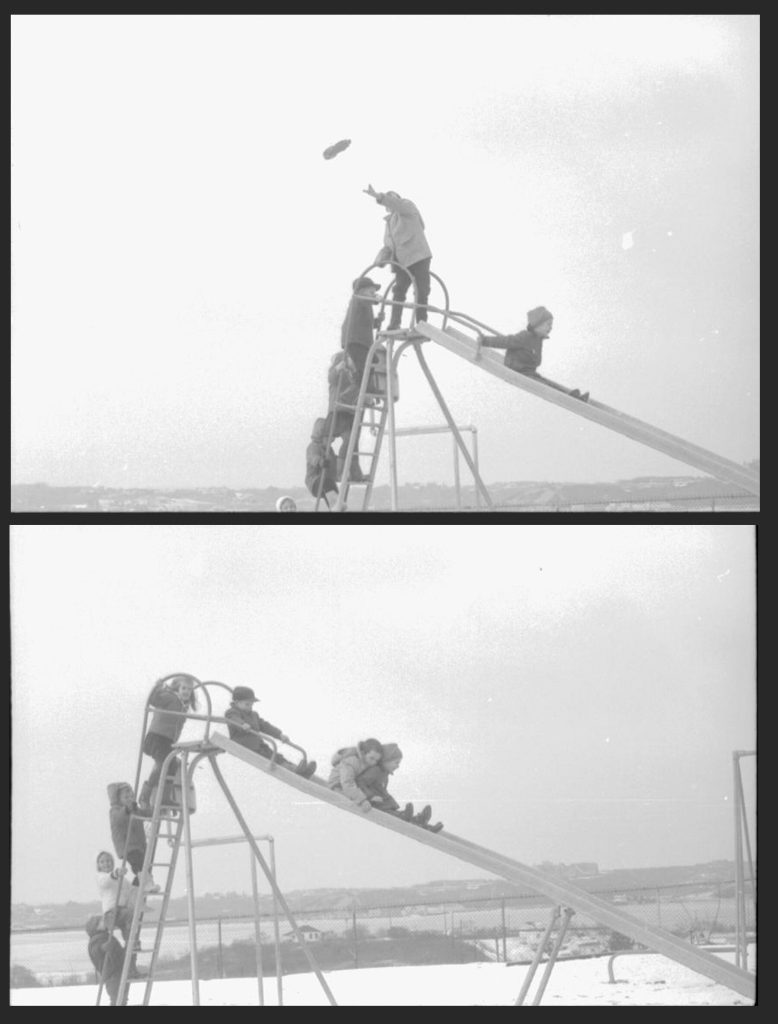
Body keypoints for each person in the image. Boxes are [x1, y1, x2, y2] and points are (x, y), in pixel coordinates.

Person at [474, 306, 589, 401]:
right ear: (537, 325)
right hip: (518, 371)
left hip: (528, 372)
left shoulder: (538, 339)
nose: (550, 328)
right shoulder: (525, 337)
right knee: (544, 385)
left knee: (548, 383)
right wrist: (485, 340)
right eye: (548, 324)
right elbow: (506, 341)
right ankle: (569, 398)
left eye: (551, 325)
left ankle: (572, 396)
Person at [364, 184, 432, 330]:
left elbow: (397, 204)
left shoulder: (408, 207)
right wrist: (380, 259)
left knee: (422, 290)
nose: (390, 201)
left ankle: (422, 323)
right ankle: (395, 323)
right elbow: (389, 246)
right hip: (403, 263)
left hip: (419, 256)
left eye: (392, 197)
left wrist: (379, 196)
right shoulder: (389, 224)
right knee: (398, 291)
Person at [225, 686, 317, 778]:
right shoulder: (232, 712)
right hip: (245, 745)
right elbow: (233, 719)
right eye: (247, 704)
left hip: (259, 745)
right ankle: (294, 771)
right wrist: (242, 724)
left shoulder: (254, 715)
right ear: (236, 703)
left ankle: (299, 770)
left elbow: (265, 726)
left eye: (252, 705)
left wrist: (279, 735)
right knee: (269, 759)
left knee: (276, 756)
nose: (250, 707)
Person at [139, 674, 199, 810]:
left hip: (168, 740)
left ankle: (165, 796)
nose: (186, 692)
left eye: (189, 690)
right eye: (184, 688)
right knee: (163, 764)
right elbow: (154, 700)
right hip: (157, 737)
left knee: (171, 765)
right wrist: (158, 687)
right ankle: (145, 794)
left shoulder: (183, 705)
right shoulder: (170, 697)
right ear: (177, 688)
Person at [357, 743, 444, 832]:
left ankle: (419, 821)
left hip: (381, 803)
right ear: (386, 760)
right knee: (388, 812)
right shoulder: (375, 771)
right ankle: (405, 817)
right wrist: (370, 796)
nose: (398, 766)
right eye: (396, 762)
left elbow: (381, 790)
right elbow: (360, 783)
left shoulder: (384, 775)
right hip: (373, 803)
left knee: (391, 810)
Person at [107, 782, 161, 893]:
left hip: (139, 845)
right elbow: (119, 818)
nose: (130, 799)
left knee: (146, 867)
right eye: (126, 797)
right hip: (128, 846)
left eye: (131, 796)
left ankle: (135, 892)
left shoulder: (134, 809)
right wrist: (127, 809)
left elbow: (145, 813)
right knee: (140, 865)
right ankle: (147, 884)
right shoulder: (115, 811)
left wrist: (156, 811)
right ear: (118, 799)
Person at [327, 351, 368, 483]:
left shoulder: (351, 375)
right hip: (339, 411)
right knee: (349, 440)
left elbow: (357, 387)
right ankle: (340, 473)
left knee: (353, 442)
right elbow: (331, 378)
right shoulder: (339, 373)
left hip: (349, 411)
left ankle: (356, 474)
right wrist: (338, 368)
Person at [340, 276, 383, 388]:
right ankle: (357, 390)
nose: (373, 294)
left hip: (361, 340)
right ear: (361, 291)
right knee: (364, 366)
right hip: (355, 340)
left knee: (373, 360)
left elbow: (365, 323)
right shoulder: (357, 299)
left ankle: (364, 387)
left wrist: (377, 321)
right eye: (371, 292)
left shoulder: (365, 304)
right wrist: (376, 299)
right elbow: (365, 300)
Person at [328, 738, 384, 811]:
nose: (373, 762)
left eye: (376, 760)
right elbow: (347, 782)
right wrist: (362, 800)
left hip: (347, 788)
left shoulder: (365, 764)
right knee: (353, 805)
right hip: (337, 786)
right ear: (363, 753)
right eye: (371, 758)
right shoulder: (351, 762)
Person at [86, 914, 128, 1006]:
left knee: (122, 998)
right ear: (95, 926)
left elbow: (116, 950)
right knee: (117, 999)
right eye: (101, 921)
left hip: (118, 970)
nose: (104, 922)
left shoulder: (106, 935)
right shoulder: (95, 939)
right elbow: (95, 950)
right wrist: (103, 948)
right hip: (111, 973)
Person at [305, 416, 339, 508]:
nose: (330, 441)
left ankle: (335, 508)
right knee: (326, 482)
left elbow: (334, 460)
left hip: (327, 482)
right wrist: (320, 461)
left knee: (335, 492)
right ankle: (335, 506)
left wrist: (340, 460)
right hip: (314, 481)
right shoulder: (313, 446)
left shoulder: (329, 449)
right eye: (328, 438)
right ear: (320, 436)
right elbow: (313, 457)